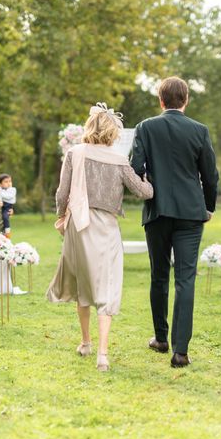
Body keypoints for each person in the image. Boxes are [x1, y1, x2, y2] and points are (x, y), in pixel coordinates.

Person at [47, 103, 153, 372]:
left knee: (83, 283)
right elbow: (143, 192)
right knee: (107, 285)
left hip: (78, 225)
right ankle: (103, 355)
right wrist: (151, 180)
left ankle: (85, 342)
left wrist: (61, 216)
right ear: (112, 131)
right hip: (106, 228)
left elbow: (62, 193)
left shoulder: (75, 152)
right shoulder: (119, 160)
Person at [131, 76, 219, 368]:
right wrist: (207, 207)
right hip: (191, 214)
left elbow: (135, 168)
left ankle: (161, 338)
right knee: (185, 279)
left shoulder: (145, 127)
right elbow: (210, 174)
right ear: (186, 100)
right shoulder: (200, 130)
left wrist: (150, 186)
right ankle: (180, 351)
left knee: (159, 275)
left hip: (157, 211)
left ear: (160, 100)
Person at [0, 173, 16, 238]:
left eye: (10, 181)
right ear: (0, 184)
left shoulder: (12, 189)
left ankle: (7, 231)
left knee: (5, 217)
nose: (9, 183)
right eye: (6, 182)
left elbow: (8, 196)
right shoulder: (0, 189)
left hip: (7, 206)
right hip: (1, 205)